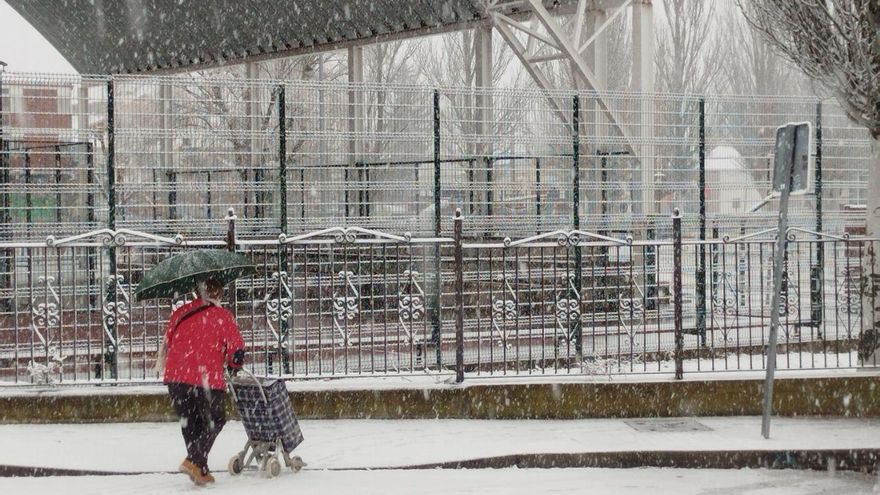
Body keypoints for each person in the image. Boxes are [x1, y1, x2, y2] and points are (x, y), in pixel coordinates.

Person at [160, 278, 245, 486]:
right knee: (215, 419)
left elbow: (169, 340)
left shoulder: (180, 313)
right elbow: (237, 351)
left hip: (176, 376)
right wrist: (234, 367)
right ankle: (193, 460)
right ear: (218, 294)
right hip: (205, 378)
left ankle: (200, 468)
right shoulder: (223, 316)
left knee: (190, 423)